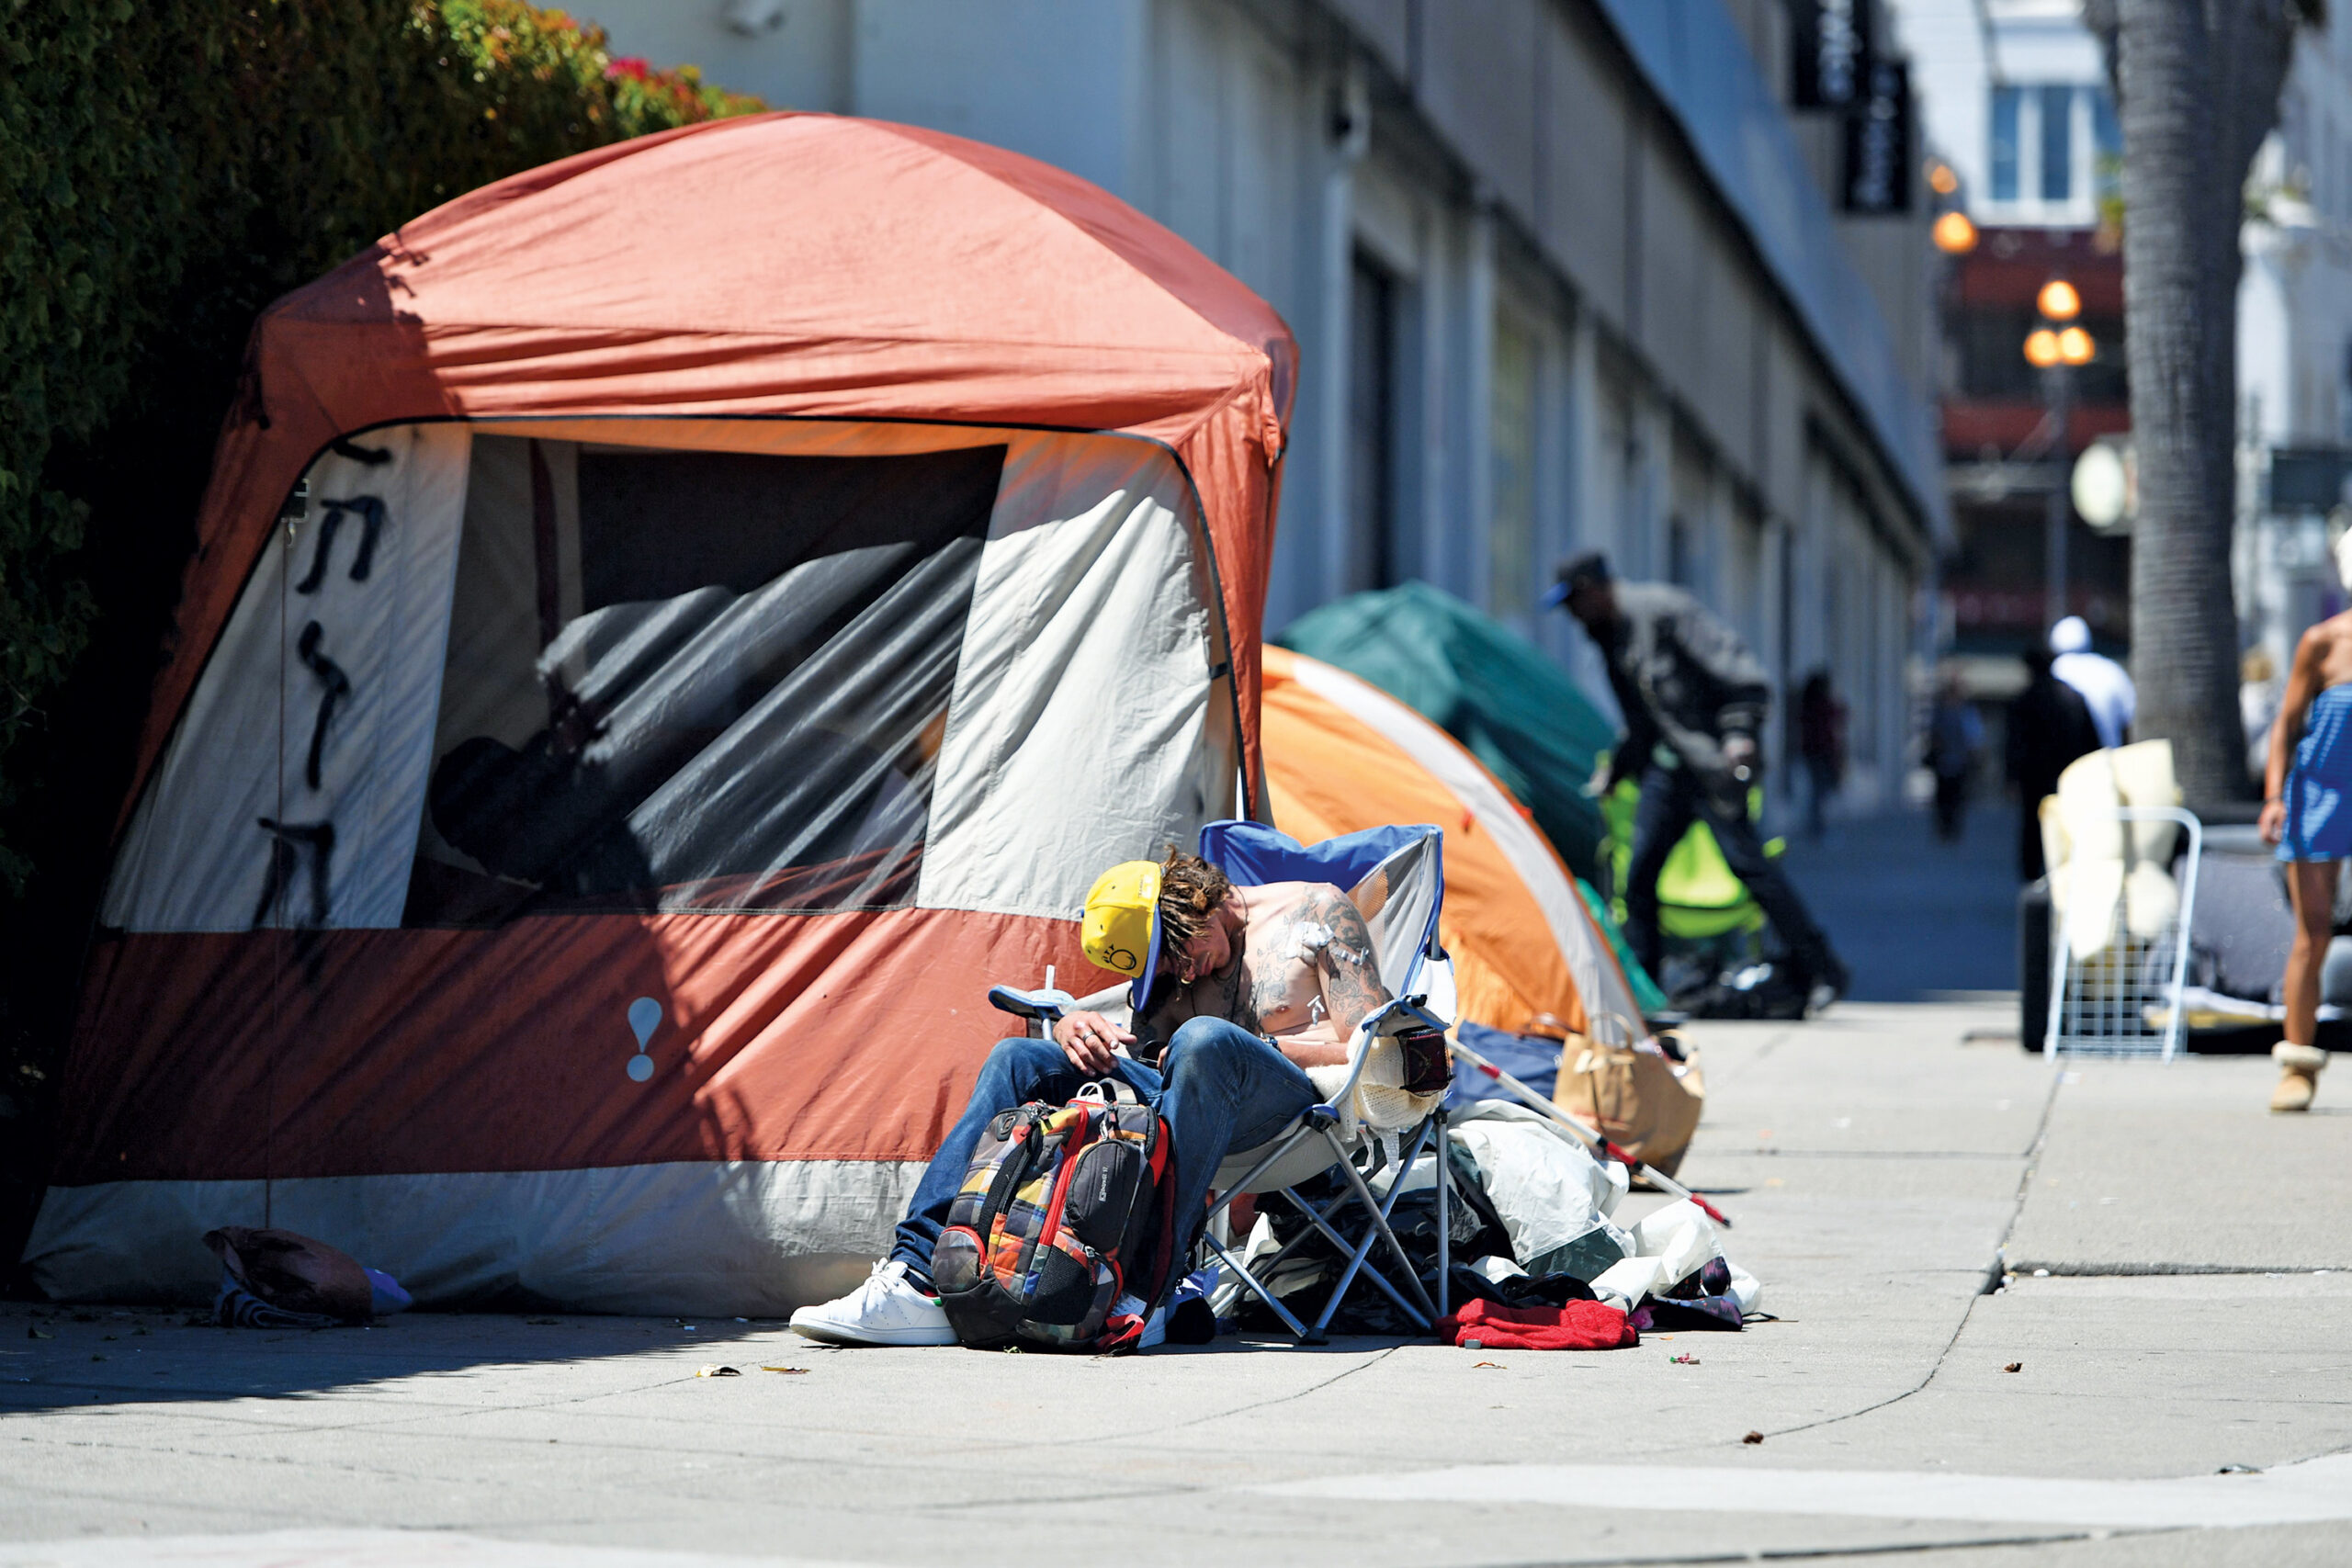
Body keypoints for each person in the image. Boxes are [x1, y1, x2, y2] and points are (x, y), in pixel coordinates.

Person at [786, 847, 1394, 1345]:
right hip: (1190, 1101)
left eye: (1182, 951)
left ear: (1199, 901)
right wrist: (1074, 1023)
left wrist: (1242, 1045)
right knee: (1019, 1058)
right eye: (1169, 968)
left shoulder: (1316, 912)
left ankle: (1145, 1291)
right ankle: (918, 1274)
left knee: (1207, 1039)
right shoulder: (1177, 980)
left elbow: (1376, 1047)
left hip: (1296, 1110)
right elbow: (1148, 1055)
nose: (1186, 974)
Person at [1545, 551, 1849, 1012]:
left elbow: (1742, 676)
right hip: (1669, 769)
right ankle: (1642, 994)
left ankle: (1823, 969)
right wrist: (1618, 768)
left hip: (1713, 766)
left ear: (1594, 588)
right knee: (1640, 876)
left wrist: (1739, 735)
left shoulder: (1664, 611)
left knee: (1750, 867)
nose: (1570, 614)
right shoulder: (1610, 636)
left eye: (1573, 601)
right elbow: (1645, 720)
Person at [2257, 546, 2352, 1112]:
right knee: (2312, 935)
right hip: (2321, 796)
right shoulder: (2322, 642)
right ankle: (2297, 1064)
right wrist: (2273, 796)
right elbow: (2286, 727)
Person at [2005, 646, 2100, 881]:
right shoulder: (2073, 697)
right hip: (2068, 776)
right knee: (2067, 826)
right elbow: (2092, 742)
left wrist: (2012, 778)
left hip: (2034, 778)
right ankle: (2062, 872)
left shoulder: (2024, 700)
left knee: (2032, 827)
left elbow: (2014, 744)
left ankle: (2033, 879)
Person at [2049, 615, 2134, 750]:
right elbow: (2130, 720)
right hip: (2108, 761)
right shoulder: (2110, 669)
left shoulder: (2054, 671)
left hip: (2068, 765)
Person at [1925, 675, 1984, 843]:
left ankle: (1953, 828)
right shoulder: (1941, 711)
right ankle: (1944, 827)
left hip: (1959, 760)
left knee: (1957, 796)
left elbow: (1973, 735)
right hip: (1944, 760)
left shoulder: (1965, 711)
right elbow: (1933, 734)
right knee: (1943, 796)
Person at [1796, 670, 1846, 840]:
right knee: (1820, 791)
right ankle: (1817, 827)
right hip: (1822, 751)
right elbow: (1837, 718)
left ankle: (1816, 826)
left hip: (1811, 751)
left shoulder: (1806, 704)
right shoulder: (1823, 705)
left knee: (1816, 791)